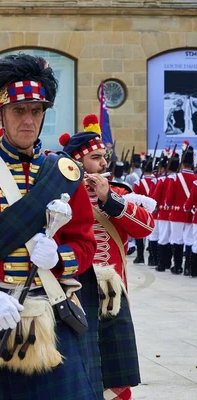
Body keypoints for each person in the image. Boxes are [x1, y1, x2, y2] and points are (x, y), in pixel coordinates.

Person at [0, 54, 99, 400]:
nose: (28, 120)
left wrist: (59, 256)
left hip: (52, 313)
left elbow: (86, 245)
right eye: (18, 111)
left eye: (36, 111)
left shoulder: (66, 173)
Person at [60, 118, 155, 400]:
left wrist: (109, 198)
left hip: (112, 294)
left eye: (104, 157)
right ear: (76, 161)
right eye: (96, 157)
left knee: (117, 377)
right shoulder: (57, 194)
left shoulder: (120, 192)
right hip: (73, 291)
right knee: (75, 370)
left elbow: (146, 227)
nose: (104, 163)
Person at [164, 146, 196, 275]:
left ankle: (177, 266)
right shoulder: (195, 178)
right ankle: (188, 267)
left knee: (176, 240)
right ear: (192, 164)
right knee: (189, 240)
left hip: (177, 213)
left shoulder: (175, 178)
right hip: (190, 214)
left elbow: (169, 197)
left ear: (182, 163)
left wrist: (167, 204)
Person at [152, 153, 180, 272]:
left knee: (163, 238)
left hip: (163, 213)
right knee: (173, 239)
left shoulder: (163, 180)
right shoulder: (179, 178)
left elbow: (155, 198)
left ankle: (163, 264)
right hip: (177, 213)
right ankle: (171, 263)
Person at [133, 156, 158, 265]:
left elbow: (135, 199)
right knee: (154, 236)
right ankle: (152, 258)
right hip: (155, 211)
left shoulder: (138, 183)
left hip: (142, 211)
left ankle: (140, 256)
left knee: (140, 235)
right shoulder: (157, 180)